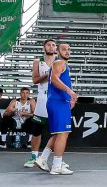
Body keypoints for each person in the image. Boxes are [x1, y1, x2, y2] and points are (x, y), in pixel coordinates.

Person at [35, 43, 78, 175]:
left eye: (69, 49)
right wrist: (70, 91)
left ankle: (43, 159)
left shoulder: (61, 64)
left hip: (57, 101)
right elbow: (54, 79)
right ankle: (56, 166)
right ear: (58, 52)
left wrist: (70, 96)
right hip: (58, 102)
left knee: (58, 134)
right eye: (64, 49)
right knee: (63, 134)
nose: (67, 51)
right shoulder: (59, 63)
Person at [25, 38, 55, 167]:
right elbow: (35, 80)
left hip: (56, 97)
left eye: (53, 45)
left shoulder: (59, 61)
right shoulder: (38, 61)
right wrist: (48, 75)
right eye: (48, 45)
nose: (51, 47)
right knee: (37, 129)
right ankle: (33, 157)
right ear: (44, 47)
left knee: (58, 131)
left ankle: (56, 159)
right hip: (43, 97)